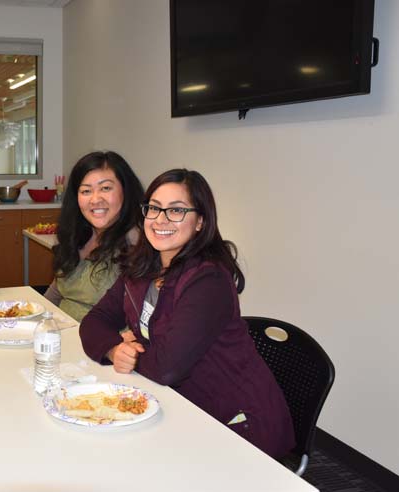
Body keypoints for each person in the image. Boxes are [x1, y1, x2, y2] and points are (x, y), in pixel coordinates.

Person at [79, 169, 295, 458]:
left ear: (200, 222)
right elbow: (95, 321)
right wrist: (114, 349)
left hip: (237, 424)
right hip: (179, 404)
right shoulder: (142, 267)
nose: (161, 219)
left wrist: (132, 354)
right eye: (153, 208)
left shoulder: (208, 280)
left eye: (177, 210)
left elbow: (168, 367)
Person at [44, 151, 144, 321]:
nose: (95, 199)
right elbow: (57, 291)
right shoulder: (78, 235)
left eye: (106, 188)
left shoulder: (136, 242)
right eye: (86, 191)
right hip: (60, 334)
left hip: (103, 342)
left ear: (125, 191)